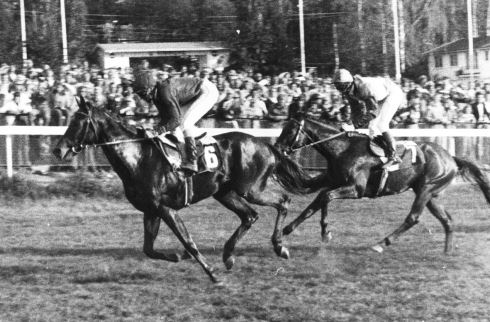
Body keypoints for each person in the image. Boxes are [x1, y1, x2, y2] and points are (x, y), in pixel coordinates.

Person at [133, 63, 219, 173]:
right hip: (195, 92)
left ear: (148, 89)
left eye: (141, 93)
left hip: (207, 91)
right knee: (176, 127)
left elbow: (176, 120)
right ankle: (182, 157)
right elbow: (166, 120)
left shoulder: (164, 92)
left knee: (185, 123)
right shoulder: (156, 95)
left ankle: (192, 161)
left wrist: (156, 132)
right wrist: (154, 130)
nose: (141, 97)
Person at [333, 68, 404, 167]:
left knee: (382, 124)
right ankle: (380, 156)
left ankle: (393, 155)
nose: (339, 89)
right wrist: (351, 124)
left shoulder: (363, 88)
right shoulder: (349, 90)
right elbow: (355, 110)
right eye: (337, 86)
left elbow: (372, 112)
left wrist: (354, 126)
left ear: (348, 83)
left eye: (340, 86)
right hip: (380, 97)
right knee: (372, 127)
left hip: (393, 93)